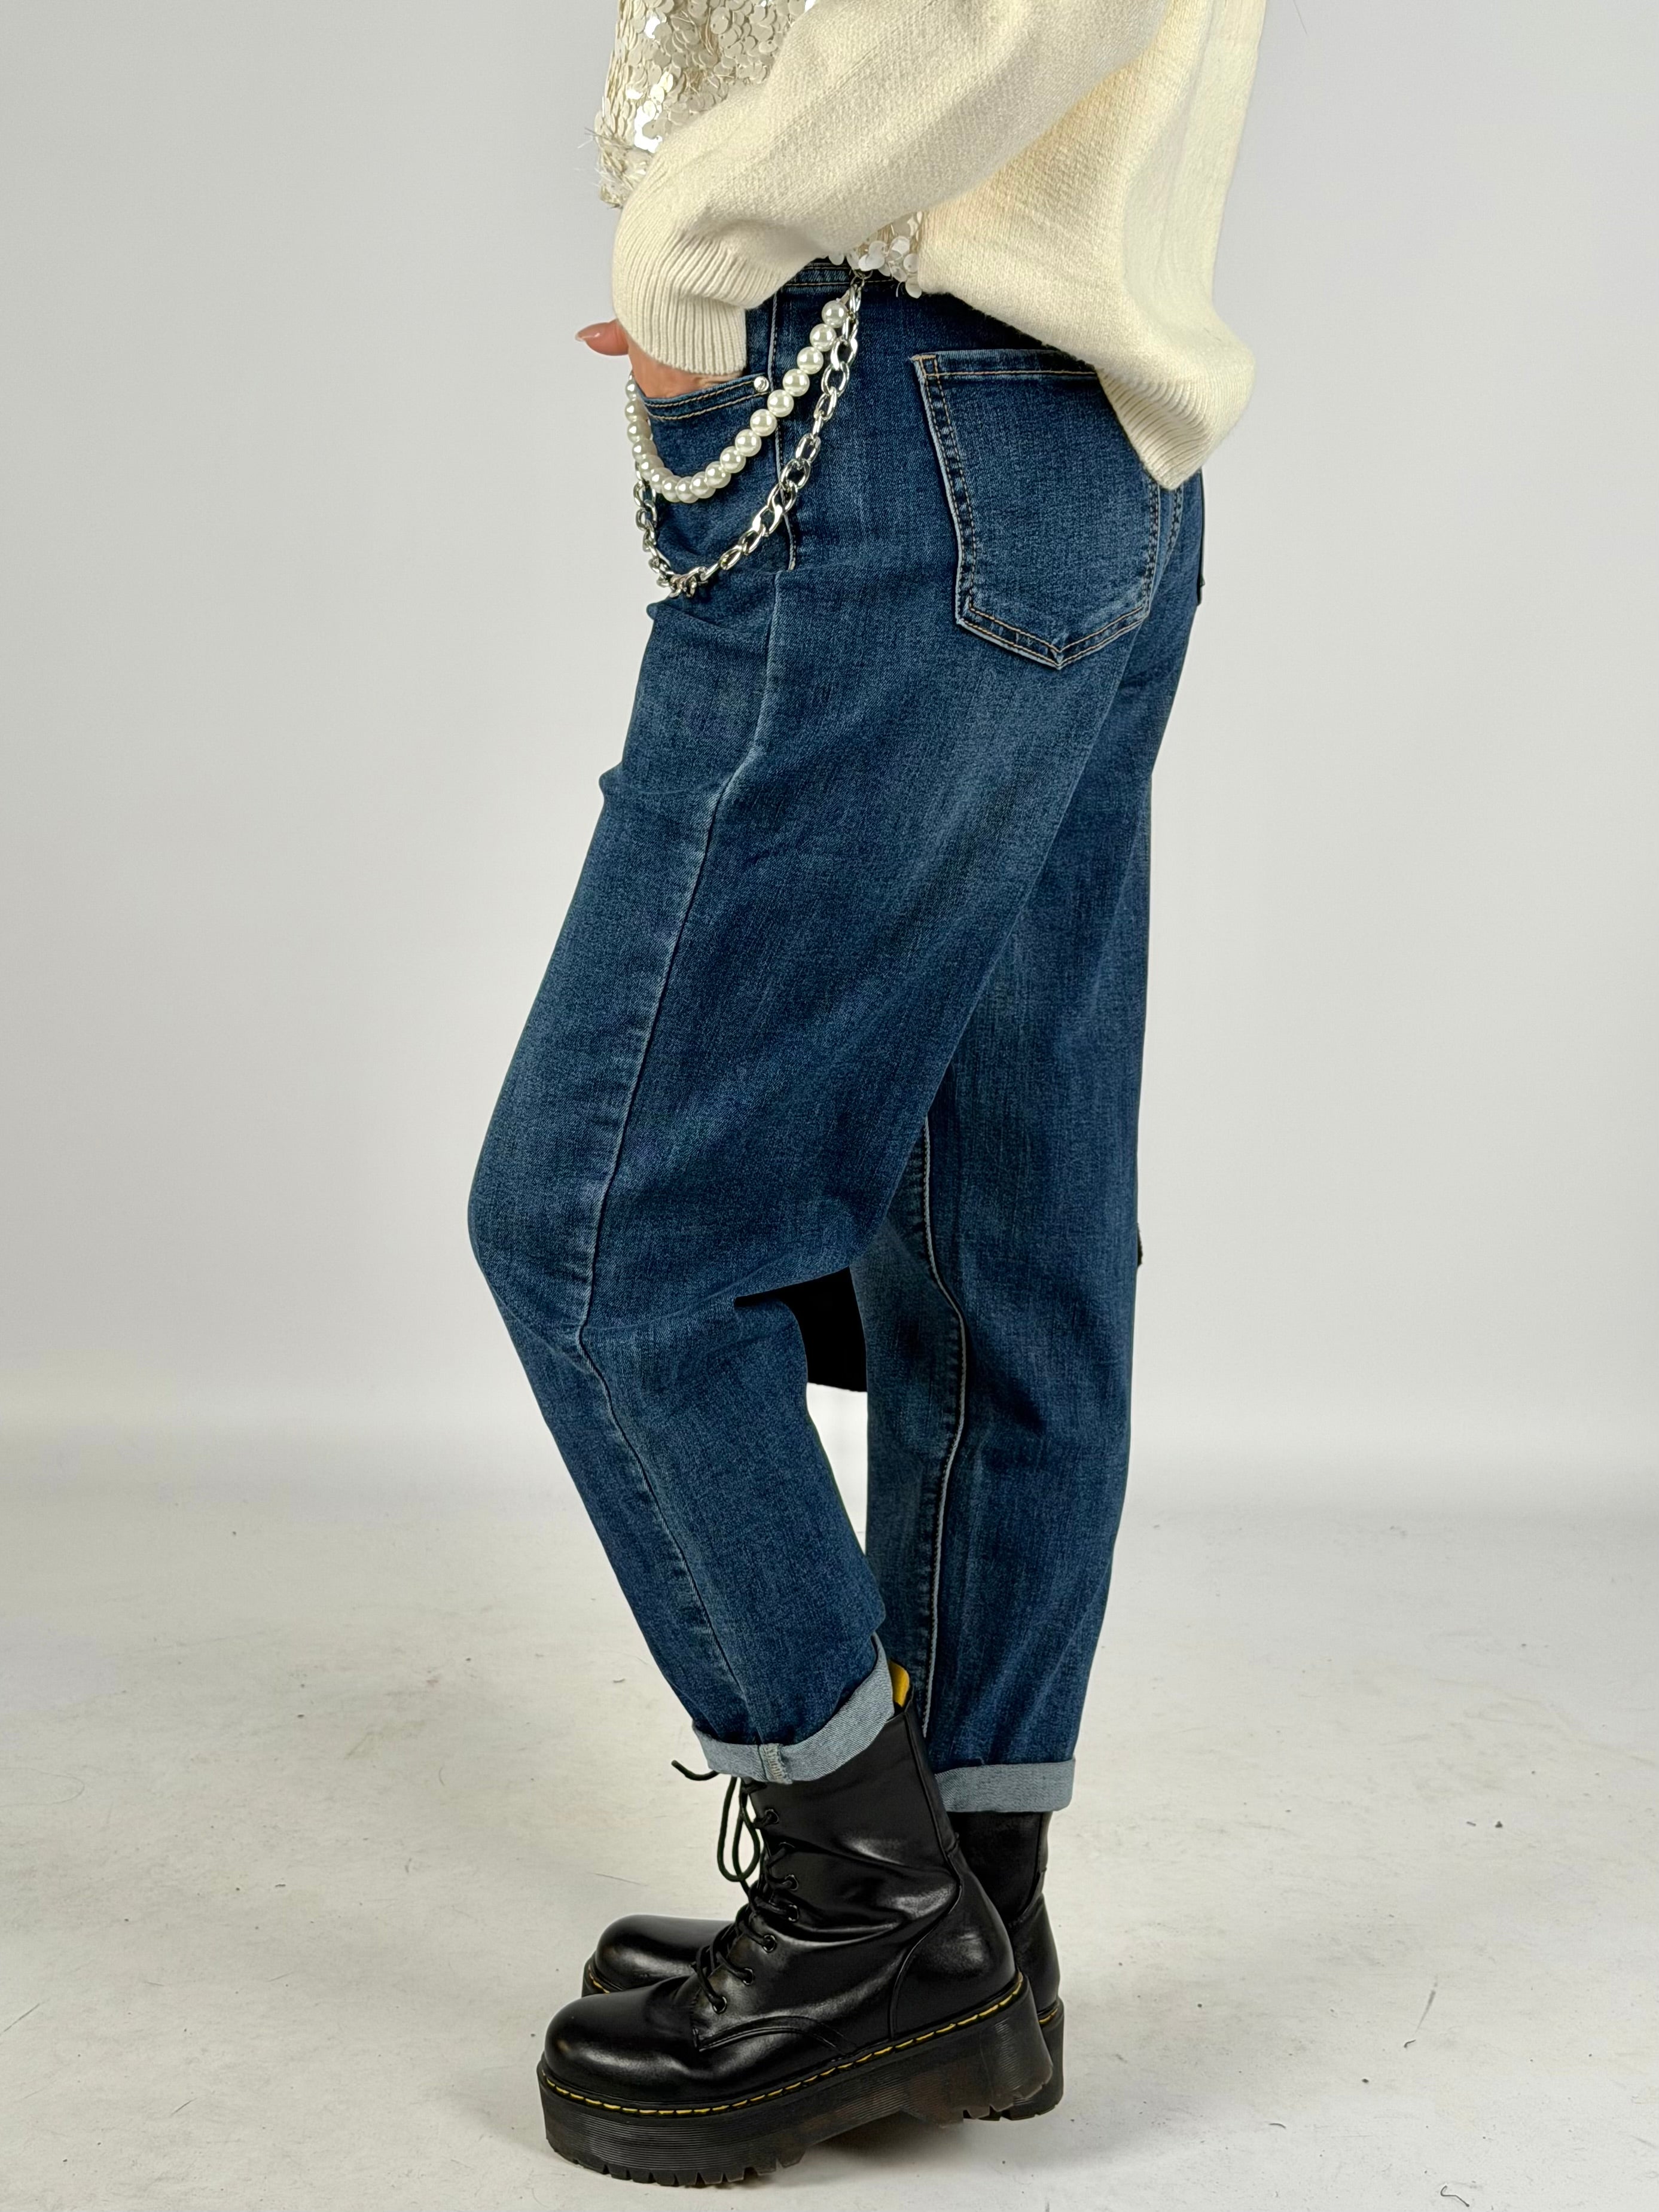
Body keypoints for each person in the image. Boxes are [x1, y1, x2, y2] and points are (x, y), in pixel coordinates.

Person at [469, 0, 1265, 2184]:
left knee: (606, 1229)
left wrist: (702, 242)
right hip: (1084, 438)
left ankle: (867, 1897)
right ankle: (972, 1916)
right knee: (998, 1238)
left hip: (914, 417)